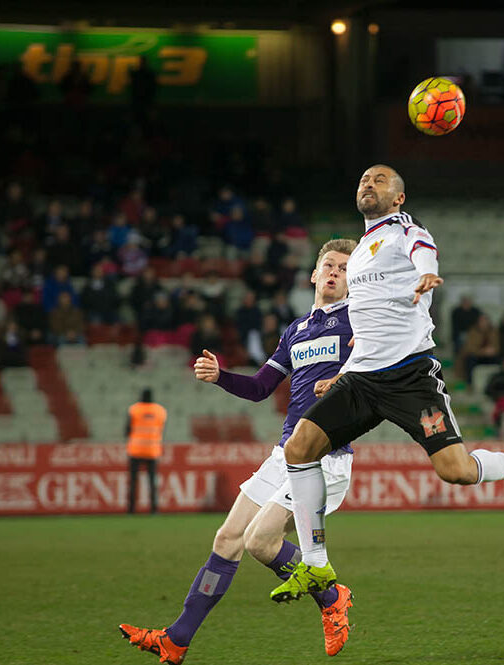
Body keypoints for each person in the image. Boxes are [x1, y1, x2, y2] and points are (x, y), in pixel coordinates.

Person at [269, 164, 504, 607]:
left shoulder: (402, 231)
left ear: (398, 199)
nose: (367, 184)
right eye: (362, 180)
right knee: (300, 448)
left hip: (409, 376)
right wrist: (345, 370)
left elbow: (422, 247)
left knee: (456, 471)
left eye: (379, 180)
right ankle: (316, 561)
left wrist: (427, 272)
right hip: (361, 379)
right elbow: (368, 326)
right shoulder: (357, 257)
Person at [120, 239, 358, 663]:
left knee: (260, 542)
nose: (335, 272)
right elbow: (260, 388)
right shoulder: (297, 331)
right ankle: (176, 640)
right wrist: (220, 377)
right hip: (284, 454)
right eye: (329, 265)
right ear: (314, 274)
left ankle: (331, 594)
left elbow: (375, 370)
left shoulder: (360, 322)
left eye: (344, 267)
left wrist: (343, 379)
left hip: (325, 456)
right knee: (228, 538)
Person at [125, 388, 167, 515]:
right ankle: (154, 509)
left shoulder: (134, 410)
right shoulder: (160, 411)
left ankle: (131, 510)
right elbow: (161, 429)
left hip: (135, 450)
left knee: (133, 481)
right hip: (152, 450)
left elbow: (126, 430)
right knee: (152, 481)